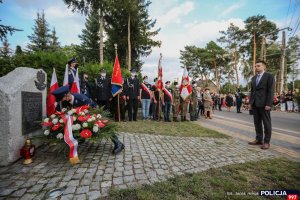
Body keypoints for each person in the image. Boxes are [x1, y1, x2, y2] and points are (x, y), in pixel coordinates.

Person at [52, 85, 124, 154]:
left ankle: (118, 143)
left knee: (102, 125)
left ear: (67, 96)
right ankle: (79, 139)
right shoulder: (63, 101)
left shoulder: (82, 99)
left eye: (62, 99)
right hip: (79, 116)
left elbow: (91, 110)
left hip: (93, 111)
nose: (62, 100)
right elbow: (59, 111)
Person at [248, 60, 274, 150]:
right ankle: (259, 139)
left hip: (264, 104)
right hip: (255, 104)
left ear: (264, 67)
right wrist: (250, 103)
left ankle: (266, 142)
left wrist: (269, 104)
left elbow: (271, 91)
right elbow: (252, 91)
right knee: (257, 123)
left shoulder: (269, 76)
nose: (256, 67)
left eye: (258, 66)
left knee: (267, 124)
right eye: (255, 66)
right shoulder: (254, 78)